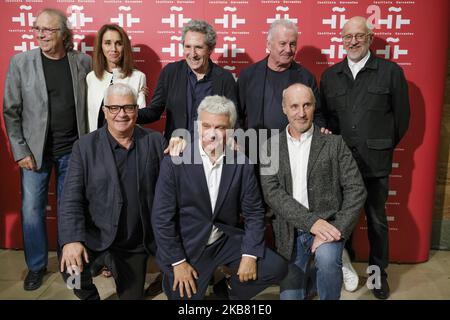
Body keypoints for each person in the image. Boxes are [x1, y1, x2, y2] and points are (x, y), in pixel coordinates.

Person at [151, 95, 287, 300]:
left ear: (231, 130)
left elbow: (254, 213)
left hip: (225, 240)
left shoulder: (241, 163)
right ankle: (170, 278)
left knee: (275, 267)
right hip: (188, 246)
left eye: (221, 127)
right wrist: (178, 263)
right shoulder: (175, 162)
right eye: (207, 125)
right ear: (198, 127)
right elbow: (162, 219)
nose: (212, 134)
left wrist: (250, 255)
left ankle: (228, 290)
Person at [320, 16, 410, 299]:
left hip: (375, 163)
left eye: (359, 36)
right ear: (341, 40)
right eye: (348, 37)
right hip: (340, 164)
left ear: (370, 38)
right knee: (339, 221)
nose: (353, 41)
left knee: (377, 221)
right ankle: (344, 268)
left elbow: (401, 119)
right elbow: (325, 116)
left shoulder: (391, 72)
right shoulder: (330, 76)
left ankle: (376, 275)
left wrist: (379, 144)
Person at [3, 8, 91, 291]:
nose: (41, 34)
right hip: (34, 154)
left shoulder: (83, 62)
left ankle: (70, 266)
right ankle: (37, 266)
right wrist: (20, 151)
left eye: (48, 30)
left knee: (70, 210)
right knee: (31, 211)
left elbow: (100, 95)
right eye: (37, 28)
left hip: (73, 151)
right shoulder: (21, 62)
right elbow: (11, 111)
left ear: (64, 34)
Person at [58, 83, 165, 300]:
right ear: (105, 111)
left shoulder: (155, 142)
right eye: (114, 108)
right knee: (71, 273)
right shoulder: (85, 146)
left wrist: (182, 149)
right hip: (95, 237)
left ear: (137, 110)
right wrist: (71, 240)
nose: (122, 114)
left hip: (133, 245)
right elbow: (70, 198)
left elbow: (176, 188)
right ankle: (89, 297)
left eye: (128, 107)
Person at [260, 83, 367, 300]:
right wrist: (311, 223)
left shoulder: (334, 143)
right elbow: (272, 192)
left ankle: (329, 270)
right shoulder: (269, 146)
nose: (301, 113)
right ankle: (311, 281)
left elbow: (356, 189)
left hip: (328, 226)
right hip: (289, 230)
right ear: (284, 108)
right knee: (291, 296)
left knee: (328, 261)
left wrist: (337, 228)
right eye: (295, 106)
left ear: (314, 106)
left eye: (307, 105)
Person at [137, 20, 237, 141]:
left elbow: (233, 120)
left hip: (211, 152)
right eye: (188, 46)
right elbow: (154, 111)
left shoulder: (224, 78)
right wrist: (128, 114)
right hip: (176, 151)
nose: (192, 54)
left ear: (210, 49)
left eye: (198, 47)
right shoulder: (170, 72)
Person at [237, 19, 325, 131]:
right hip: (256, 145)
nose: (288, 50)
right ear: (269, 45)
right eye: (282, 44)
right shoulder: (249, 75)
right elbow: (236, 114)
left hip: (293, 146)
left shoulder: (306, 78)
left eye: (292, 44)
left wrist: (319, 132)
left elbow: (317, 115)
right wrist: (240, 140)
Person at [87, 24, 147, 132]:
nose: (113, 49)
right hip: (96, 143)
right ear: (101, 46)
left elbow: (139, 117)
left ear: (125, 47)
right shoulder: (91, 78)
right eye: (107, 43)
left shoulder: (138, 77)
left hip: (127, 142)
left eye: (118, 43)